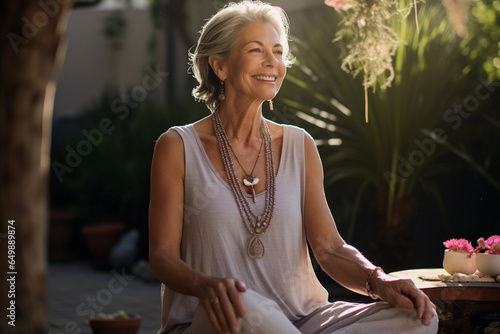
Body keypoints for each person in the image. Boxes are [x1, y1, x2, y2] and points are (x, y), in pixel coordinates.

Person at [148, 1, 438, 333]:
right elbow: (162, 256)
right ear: (220, 66)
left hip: (303, 320)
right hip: (222, 320)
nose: (272, 62)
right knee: (245, 306)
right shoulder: (177, 147)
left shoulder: (300, 145)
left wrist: (379, 281)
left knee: (419, 316)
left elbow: (328, 248)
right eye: (257, 50)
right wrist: (206, 286)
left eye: (278, 51)